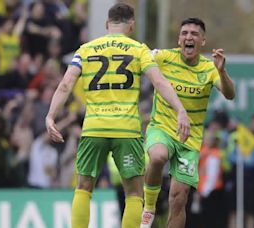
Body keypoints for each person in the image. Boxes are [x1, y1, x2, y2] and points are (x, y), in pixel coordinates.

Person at [45, 3, 190, 228]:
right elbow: (159, 82)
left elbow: (65, 85)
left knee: (83, 187)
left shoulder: (85, 49)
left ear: (107, 24)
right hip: (126, 129)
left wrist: (51, 116)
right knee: (133, 193)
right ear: (131, 25)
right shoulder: (138, 49)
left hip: (94, 128)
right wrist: (180, 109)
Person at [140, 17, 235, 228]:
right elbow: (141, 57)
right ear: (179, 39)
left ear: (202, 40)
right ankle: (149, 207)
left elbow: (230, 94)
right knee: (157, 156)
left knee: (178, 198)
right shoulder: (164, 57)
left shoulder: (209, 68)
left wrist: (222, 72)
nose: (188, 37)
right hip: (162, 127)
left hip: (189, 141)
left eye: (194, 34)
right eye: (184, 33)